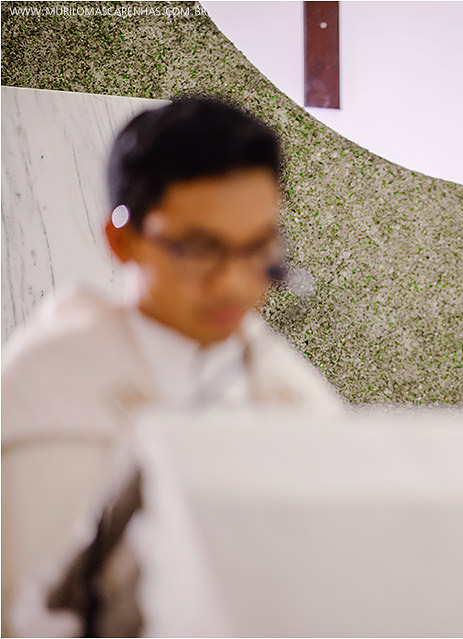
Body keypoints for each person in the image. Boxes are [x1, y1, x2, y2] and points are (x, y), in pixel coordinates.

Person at [1, 96, 345, 634]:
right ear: (122, 239)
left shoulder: (292, 391)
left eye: (257, 248)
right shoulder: (41, 394)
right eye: (201, 248)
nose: (234, 282)